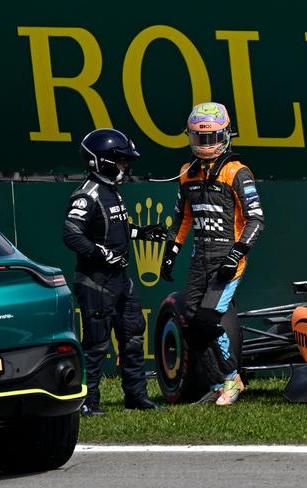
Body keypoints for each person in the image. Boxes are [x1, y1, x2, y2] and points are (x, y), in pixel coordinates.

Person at [160, 102, 264, 406]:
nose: (205, 146)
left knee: (206, 320)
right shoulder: (186, 173)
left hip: (227, 257)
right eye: (199, 139)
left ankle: (232, 381)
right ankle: (219, 384)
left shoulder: (237, 172)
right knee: (191, 325)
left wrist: (236, 254)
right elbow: (183, 217)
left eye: (211, 139)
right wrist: (172, 250)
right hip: (199, 257)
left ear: (226, 135)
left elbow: (257, 220)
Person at [63, 128, 167, 416]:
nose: (125, 166)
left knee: (133, 336)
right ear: (102, 161)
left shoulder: (112, 191)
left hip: (121, 279)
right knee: (96, 344)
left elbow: (114, 230)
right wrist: (102, 254)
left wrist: (142, 233)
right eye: (120, 160)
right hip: (95, 281)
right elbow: (71, 234)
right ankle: (87, 401)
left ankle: (136, 397)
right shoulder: (87, 195)